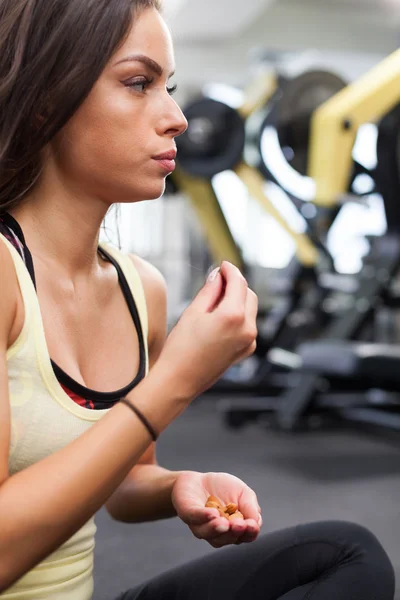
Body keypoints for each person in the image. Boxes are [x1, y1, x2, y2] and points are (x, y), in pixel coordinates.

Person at [0, 1, 395, 598]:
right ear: (47, 103)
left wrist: (179, 485)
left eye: (170, 86)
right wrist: (176, 380)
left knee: (345, 556)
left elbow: (126, 482)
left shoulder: (140, 290)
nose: (178, 117)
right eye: (139, 83)